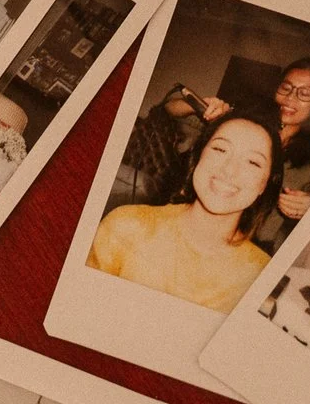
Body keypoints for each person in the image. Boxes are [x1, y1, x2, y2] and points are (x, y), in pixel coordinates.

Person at [87, 104, 286, 314]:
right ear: (198, 156)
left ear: (265, 184)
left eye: (253, 162)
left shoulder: (262, 276)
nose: (229, 170)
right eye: (220, 149)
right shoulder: (125, 225)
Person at [145, 56, 310, 248]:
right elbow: (167, 110)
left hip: (248, 246)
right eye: (286, 87)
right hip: (195, 226)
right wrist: (203, 107)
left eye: (305, 93)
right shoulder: (238, 124)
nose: (291, 97)